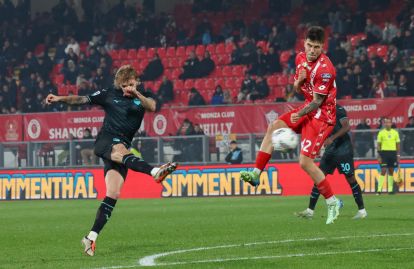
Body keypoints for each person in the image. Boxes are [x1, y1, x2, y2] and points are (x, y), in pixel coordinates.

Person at [45, 65, 177, 256]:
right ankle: (154, 172)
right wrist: (59, 98)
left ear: (136, 82)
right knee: (124, 151)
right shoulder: (108, 94)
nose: (127, 88)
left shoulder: (143, 96)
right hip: (106, 141)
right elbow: (82, 99)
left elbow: (153, 107)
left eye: (131, 84)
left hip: (121, 146)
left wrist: (136, 93)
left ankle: (90, 237)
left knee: (113, 193)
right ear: (118, 84)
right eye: (124, 85)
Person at [240, 26, 341, 224]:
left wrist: (299, 115)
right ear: (304, 44)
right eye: (310, 46)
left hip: (322, 117)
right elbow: (297, 87)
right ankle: (255, 174)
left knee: (305, 162)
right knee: (274, 126)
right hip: (307, 108)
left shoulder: (326, 69)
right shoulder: (300, 58)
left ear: (322, 47)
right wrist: (298, 82)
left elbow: (318, 101)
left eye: (317, 47)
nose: (312, 50)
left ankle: (333, 202)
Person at [295, 104, 367, 220]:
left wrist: (332, 138)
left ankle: (362, 211)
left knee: (351, 179)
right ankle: (310, 211)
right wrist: (317, 148)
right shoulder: (319, 113)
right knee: (318, 177)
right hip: (330, 151)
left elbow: (346, 127)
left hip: (343, 150)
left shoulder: (338, 109)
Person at [376, 117, 401, 194]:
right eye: (386, 122)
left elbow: (398, 144)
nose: (387, 124)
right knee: (383, 170)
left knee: (391, 171)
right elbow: (378, 145)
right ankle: (379, 190)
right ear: (384, 124)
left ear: (391, 123)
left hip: (393, 153)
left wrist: (398, 155)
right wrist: (379, 156)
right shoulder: (381, 133)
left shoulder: (395, 133)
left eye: (389, 122)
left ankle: (390, 190)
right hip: (384, 153)